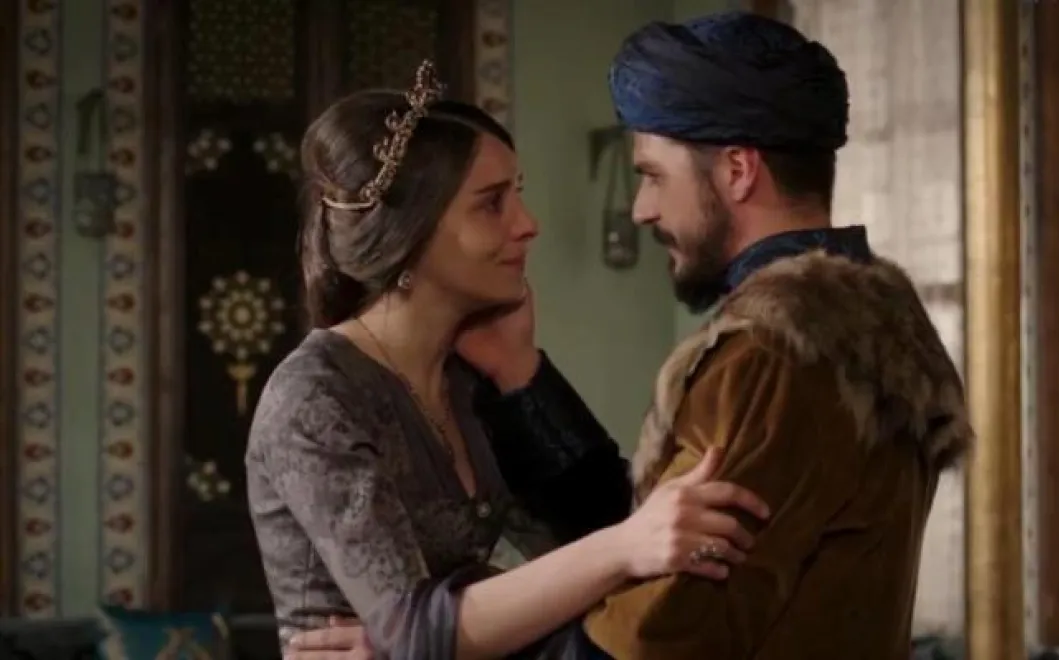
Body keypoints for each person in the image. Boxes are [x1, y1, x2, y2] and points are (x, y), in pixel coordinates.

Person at [289, 10, 975, 660]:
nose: (642, 209)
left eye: (652, 175)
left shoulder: (773, 356)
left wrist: (425, 648)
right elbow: (645, 541)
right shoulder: (863, 326)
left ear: (738, 171)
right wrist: (523, 380)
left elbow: (644, 639)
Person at [246, 60, 771, 660]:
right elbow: (417, 631)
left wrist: (520, 371)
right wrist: (623, 547)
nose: (528, 225)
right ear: (409, 235)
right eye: (492, 204)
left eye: (517, 196)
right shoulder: (316, 397)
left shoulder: (467, 376)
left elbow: (597, 526)